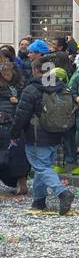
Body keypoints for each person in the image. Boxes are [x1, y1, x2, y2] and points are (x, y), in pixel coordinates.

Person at [10, 56, 77, 214]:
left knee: (41, 168)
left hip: (36, 135)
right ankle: (39, 201)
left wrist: (14, 134)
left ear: (35, 70)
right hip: (56, 134)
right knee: (43, 168)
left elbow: (21, 115)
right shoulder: (61, 87)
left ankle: (62, 192)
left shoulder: (32, 89)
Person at [0, 58, 29, 195]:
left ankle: (20, 181)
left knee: (12, 154)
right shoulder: (20, 87)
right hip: (14, 123)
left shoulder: (18, 88)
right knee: (16, 154)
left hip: (10, 123)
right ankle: (21, 180)